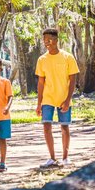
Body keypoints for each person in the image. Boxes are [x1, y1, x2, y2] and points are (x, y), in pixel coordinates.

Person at [35, 26, 79, 168]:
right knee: (46, 126)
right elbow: (41, 82)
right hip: (48, 98)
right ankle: (52, 158)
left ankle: (65, 158)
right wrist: (39, 103)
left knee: (64, 127)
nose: (46, 42)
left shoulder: (68, 57)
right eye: (44, 40)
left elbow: (72, 80)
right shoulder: (42, 59)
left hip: (63, 98)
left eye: (49, 40)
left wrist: (67, 100)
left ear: (56, 40)